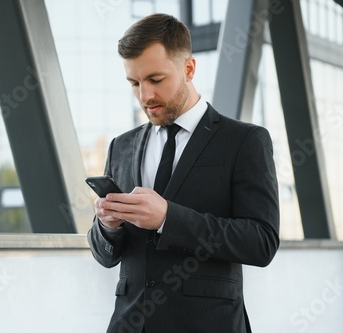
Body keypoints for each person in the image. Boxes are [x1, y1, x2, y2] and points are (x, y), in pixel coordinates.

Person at [87, 13, 280, 333]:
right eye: (134, 83)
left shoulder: (244, 141)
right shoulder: (120, 146)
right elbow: (105, 256)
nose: (145, 96)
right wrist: (107, 226)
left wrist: (168, 218)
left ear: (189, 68)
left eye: (155, 79)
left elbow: (261, 242)